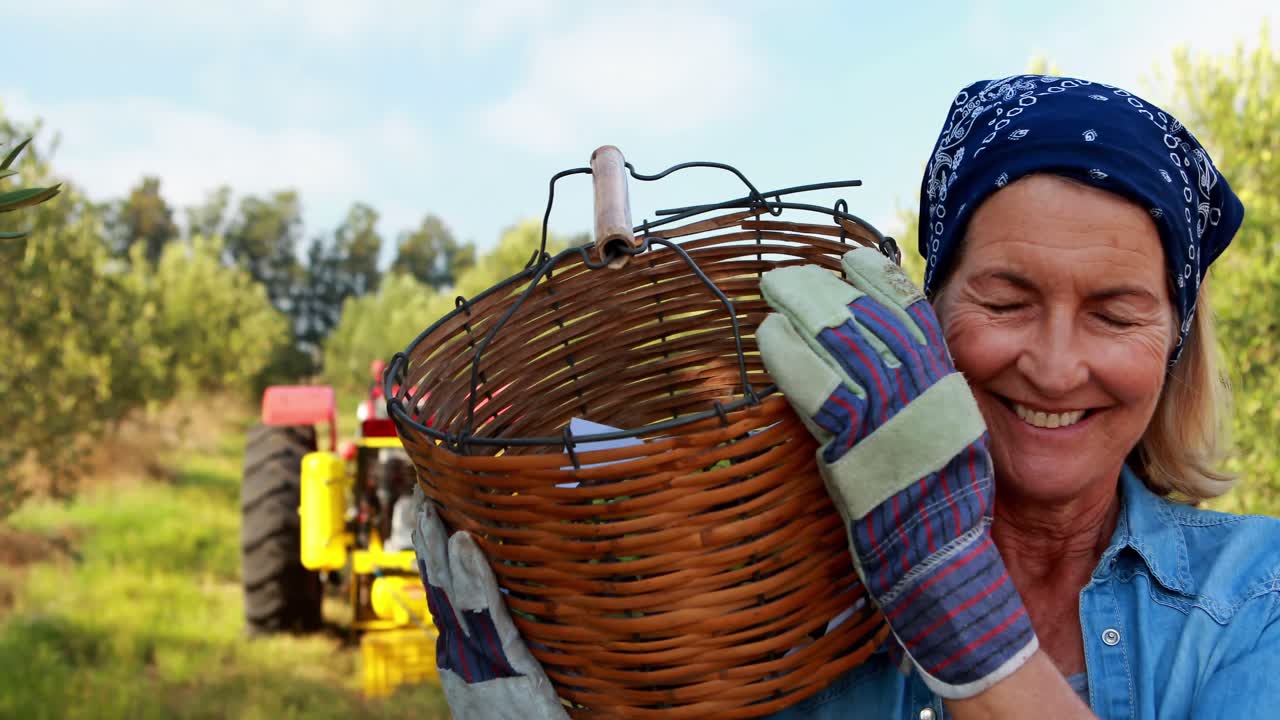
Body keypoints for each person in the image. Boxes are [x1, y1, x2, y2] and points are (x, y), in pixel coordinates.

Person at [410, 74, 1279, 719]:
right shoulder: (771, 603)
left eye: (1114, 314)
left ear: (1173, 342)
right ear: (925, 314)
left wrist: (955, 601)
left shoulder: (1255, 596)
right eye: (1006, 302)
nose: (1053, 367)